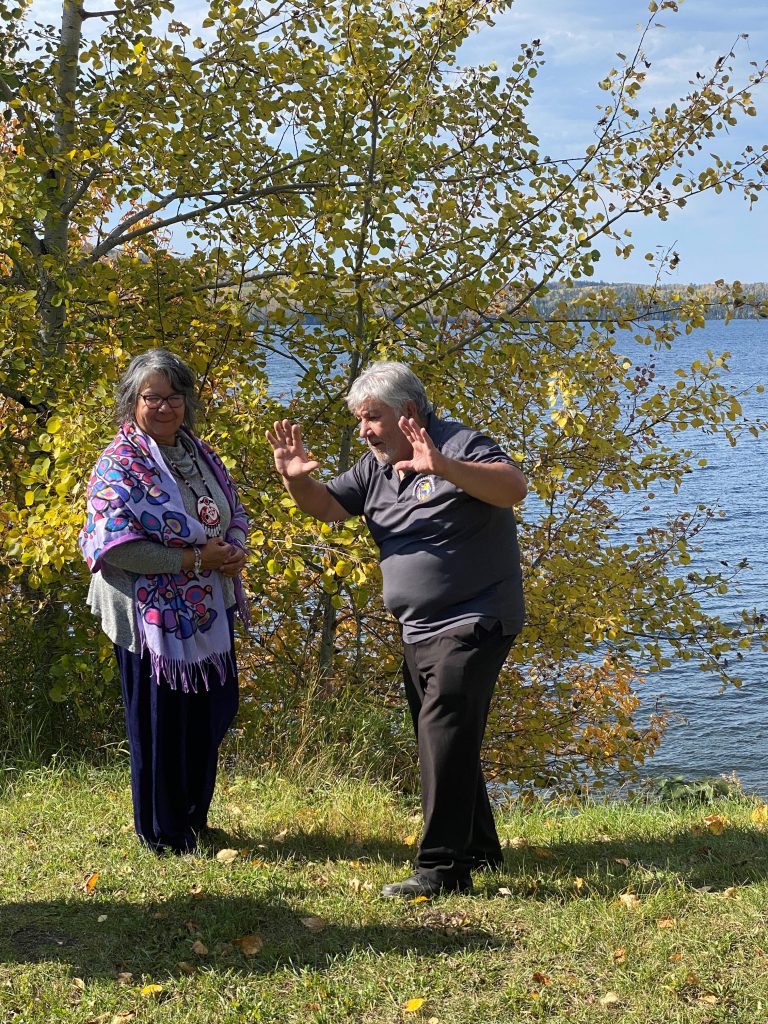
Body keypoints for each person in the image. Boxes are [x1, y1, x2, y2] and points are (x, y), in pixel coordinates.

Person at [266, 361, 526, 897]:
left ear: (408, 412)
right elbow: (328, 508)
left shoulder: (463, 443)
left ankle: (442, 869)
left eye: (371, 418)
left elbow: (512, 489)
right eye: (360, 420)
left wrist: (445, 467)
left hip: (475, 617)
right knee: (444, 738)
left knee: (443, 728)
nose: (363, 430)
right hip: (417, 629)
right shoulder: (374, 467)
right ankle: (479, 847)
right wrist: (298, 480)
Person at [79, 349, 249, 854]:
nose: (165, 407)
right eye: (153, 397)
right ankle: (162, 832)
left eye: (174, 396)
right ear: (132, 401)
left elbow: (232, 510)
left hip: (204, 610)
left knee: (210, 712)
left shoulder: (201, 454)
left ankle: (194, 819)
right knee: (160, 723)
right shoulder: (119, 464)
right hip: (147, 613)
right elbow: (120, 547)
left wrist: (233, 549)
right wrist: (196, 560)